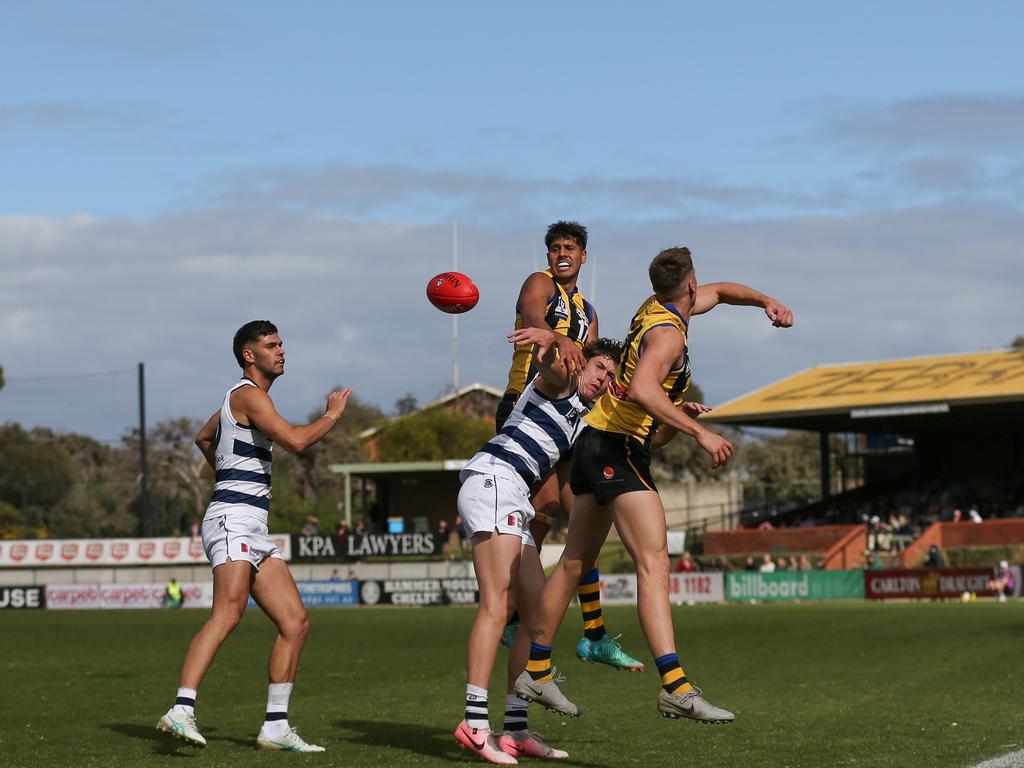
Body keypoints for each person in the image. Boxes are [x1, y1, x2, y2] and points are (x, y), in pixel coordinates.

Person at [516, 247, 793, 725]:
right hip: (616, 447)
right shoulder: (668, 334)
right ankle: (675, 688)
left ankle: (535, 671)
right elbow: (644, 388)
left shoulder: (662, 306)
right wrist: (700, 433)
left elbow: (725, 293)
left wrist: (765, 300)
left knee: (574, 562)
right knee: (654, 562)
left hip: (595, 442)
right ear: (690, 285)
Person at [157, 320, 352, 752]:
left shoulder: (241, 399)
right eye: (271, 345)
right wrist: (332, 415)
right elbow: (298, 442)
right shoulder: (248, 395)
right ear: (250, 355)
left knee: (295, 622)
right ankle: (181, 709)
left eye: (282, 344)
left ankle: (275, 727)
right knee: (227, 614)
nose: (281, 351)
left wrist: (226, 470)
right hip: (232, 520)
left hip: (251, 525)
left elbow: (203, 436)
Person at [454, 329, 623, 764]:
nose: (604, 377)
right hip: (494, 480)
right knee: (498, 605)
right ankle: (474, 724)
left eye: (611, 374)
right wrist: (551, 337)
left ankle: (514, 730)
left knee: (533, 617)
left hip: (513, 498)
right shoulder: (563, 380)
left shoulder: (586, 415)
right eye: (600, 366)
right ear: (583, 362)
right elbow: (548, 362)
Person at [497, 220, 642, 672]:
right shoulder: (540, 283)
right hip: (527, 406)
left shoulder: (588, 309)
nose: (563, 253)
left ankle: (593, 634)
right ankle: (513, 617)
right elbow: (536, 319)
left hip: (568, 417)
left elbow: (594, 362)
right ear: (548, 256)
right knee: (541, 509)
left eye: (571, 248)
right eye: (556, 247)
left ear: (583, 257)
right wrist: (556, 336)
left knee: (583, 517)